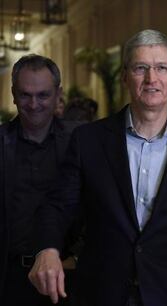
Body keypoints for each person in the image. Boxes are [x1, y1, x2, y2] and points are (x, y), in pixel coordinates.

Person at [29, 29, 167, 306]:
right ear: (124, 76)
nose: (151, 78)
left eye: (161, 68)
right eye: (140, 68)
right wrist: (47, 248)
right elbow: (58, 205)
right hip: (102, 292)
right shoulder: (89, 141)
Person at [0, 54, 78, 306]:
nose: (34, 104)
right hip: (9, 277)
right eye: (25, 95)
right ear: (13, 94)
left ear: (58, 94)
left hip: (69, 276)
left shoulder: (82, 141)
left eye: (43, 95)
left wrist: (77, 258)